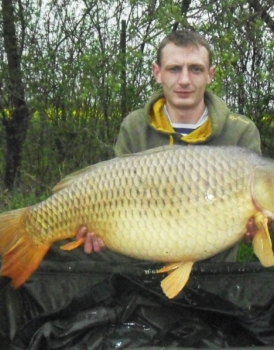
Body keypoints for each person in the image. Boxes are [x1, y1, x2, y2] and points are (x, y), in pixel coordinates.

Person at [77, 29, 263, 261]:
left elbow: (257, 218)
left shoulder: (241, 132)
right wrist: (98, 233)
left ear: (210, 75)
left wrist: (258, 228)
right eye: (174, 69)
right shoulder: (135, 126)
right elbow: (113, 200)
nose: (184, 80)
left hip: (216, 272)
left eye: (195, 69)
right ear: (158, 73)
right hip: (142, 265)